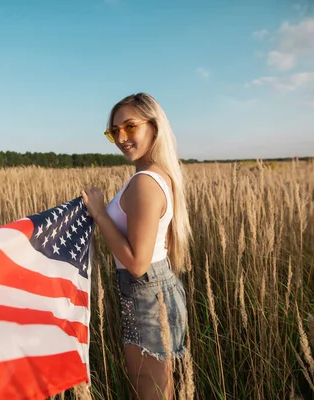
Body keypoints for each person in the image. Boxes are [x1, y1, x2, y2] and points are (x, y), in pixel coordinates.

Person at [82, 93, 191, 400]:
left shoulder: (145, 182)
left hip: (145, 292)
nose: (121, 137)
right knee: (150, 388)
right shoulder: (152, 174)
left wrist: (100, 213)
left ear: (153, 127)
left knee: (150, 392)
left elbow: (137, 262)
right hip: (148, 291)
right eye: (113, 131)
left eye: (130, 127)